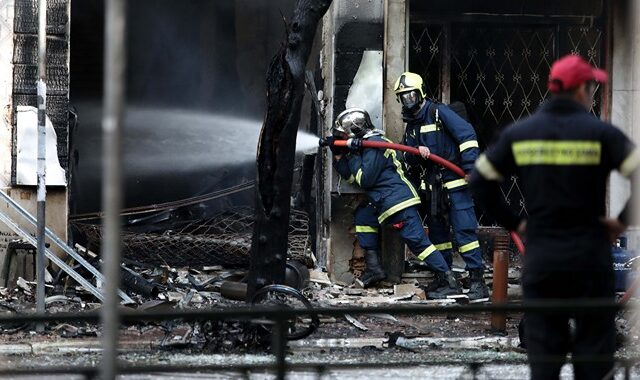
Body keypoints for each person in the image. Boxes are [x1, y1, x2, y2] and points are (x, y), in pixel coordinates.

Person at [469, 54, 638, 380]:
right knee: (593, 357)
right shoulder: (601, 133)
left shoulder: (521, 134)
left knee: (545, 357)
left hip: (544, 256)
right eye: (591, 88)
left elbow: (478, 182)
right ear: (581, 90)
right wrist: (620, 221)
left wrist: (515, 222)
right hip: (590, 255)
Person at [328, 107, 460, 297]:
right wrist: (340, 156)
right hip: (383, 200)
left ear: (354, 130)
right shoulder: (367, 145)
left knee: (417, 241)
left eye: (344, 134)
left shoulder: (375, 144)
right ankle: (374, 268)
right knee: (364, 216)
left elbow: (365, 179)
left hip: (397, 201)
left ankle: (448, 279)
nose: (343, 137)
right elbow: (351, 177)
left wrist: (355, 154)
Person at [393, 72, 489, 300]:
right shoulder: (413, 126)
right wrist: (417, 154)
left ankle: (478, 282)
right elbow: (408, 156)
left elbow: (467, 136)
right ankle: (447, 280)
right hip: (434, 188)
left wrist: (470, 168)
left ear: (421, 92)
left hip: (455, 182)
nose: (408, 101)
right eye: (403, 97)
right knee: (439, 234)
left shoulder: (438, 113)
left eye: (411, 96)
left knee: (464, 230)